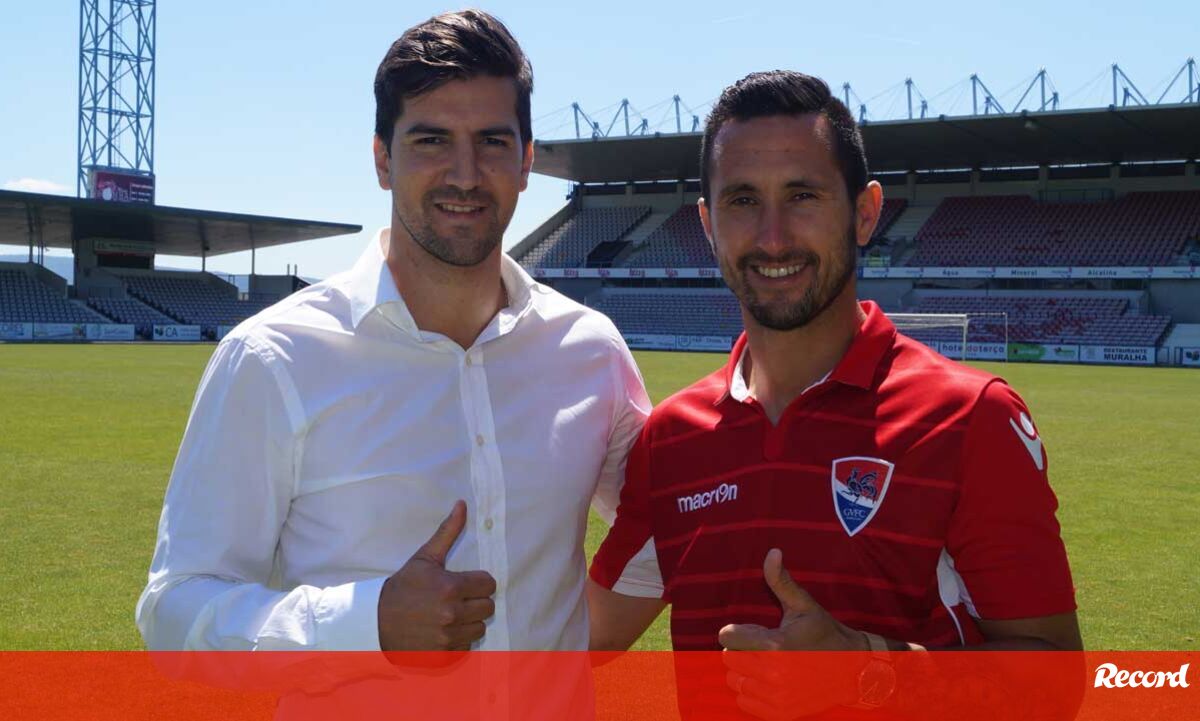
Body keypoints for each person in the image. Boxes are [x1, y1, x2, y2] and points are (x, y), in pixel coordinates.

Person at [136, 9, 654, 653]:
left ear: (525, 162)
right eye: (431, 141)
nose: (465, 174)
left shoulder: (590, 349)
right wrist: (367, 623)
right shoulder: (274, 358)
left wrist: (580, 647)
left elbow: (672, 521)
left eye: (492, 142)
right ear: (383, 159)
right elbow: (174, 609)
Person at [587, 70, 1081, 713]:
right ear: (707, 223)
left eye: (803, 196)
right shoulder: (672, 438)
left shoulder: (969, 418)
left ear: (865, 212)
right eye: (742, 200)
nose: (772, 237)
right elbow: (580, 639)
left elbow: (1056, 683)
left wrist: (868, 671)